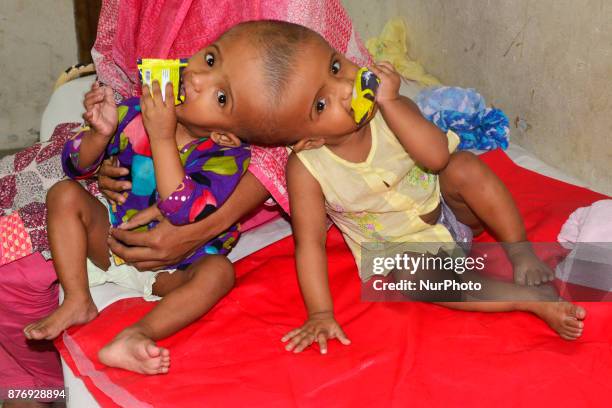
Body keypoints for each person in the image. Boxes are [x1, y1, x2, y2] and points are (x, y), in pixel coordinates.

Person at [226, 26, 587, 353]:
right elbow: (310, 244)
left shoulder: (389, 110)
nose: (345, 88)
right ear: (306, 140)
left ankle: (520, 250)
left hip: (451, 210)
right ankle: (528, 300)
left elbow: (437, 158)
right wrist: (320, 312)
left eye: (336, 67)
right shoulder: (306, 170)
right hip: (404, 250)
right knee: (409, 274)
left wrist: (392, 104)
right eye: (321, 104)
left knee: (464, 166)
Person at [21, 22, 287, 375]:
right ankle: (77, 298)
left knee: (218, 273)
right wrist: (98, 137)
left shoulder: (226, 158)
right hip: (113, 238)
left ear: (226, 135)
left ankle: (137, 334)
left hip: (178, 265)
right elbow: (74, 166)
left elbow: (183, 211)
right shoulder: (135, 111)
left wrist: (161, 137)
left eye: (221, 97)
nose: (197, 79)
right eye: (209, 60)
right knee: (63, 194)